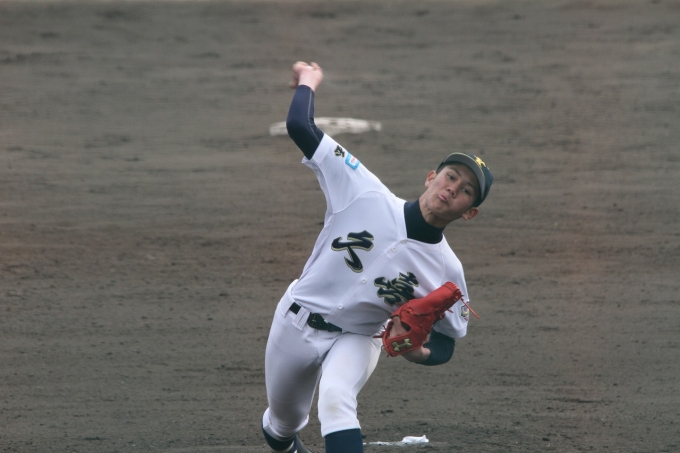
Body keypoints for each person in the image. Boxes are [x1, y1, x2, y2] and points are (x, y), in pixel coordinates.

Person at [261, 62, 493, 453]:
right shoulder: (364, 191)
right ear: (430, 177)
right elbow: (301, 126)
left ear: (469, 212)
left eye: (467, 190)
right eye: (451, 176)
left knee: (336, 399)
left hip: (359, 335)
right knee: (282, 426)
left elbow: (448, 340)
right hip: (296, 321)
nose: (454, 188)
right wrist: (308, 80)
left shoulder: (447, 270)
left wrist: (419, 352)